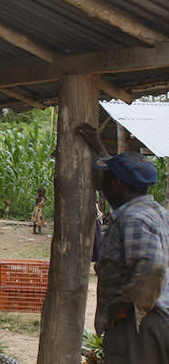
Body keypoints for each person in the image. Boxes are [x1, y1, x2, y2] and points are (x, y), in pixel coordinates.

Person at [78, 123, 169, 364]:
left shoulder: (133, 219)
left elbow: (153, 265)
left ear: (117, 184)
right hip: (151, 322)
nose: (102, 184)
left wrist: (125, 304)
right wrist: (98, 147)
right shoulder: (155, 213)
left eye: (106, 179)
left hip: (139, 327)